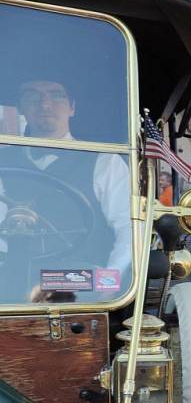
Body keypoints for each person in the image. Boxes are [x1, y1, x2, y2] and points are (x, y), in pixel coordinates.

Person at [0, 77, 131, 300]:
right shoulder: (4, 158)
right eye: (32, 96)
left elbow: (127, 226)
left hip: (79, 280)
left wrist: (110, 286)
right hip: (11, 277)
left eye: (56, 95)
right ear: (21, 107)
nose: (44, 104)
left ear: (72, 107)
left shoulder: (104, 160)